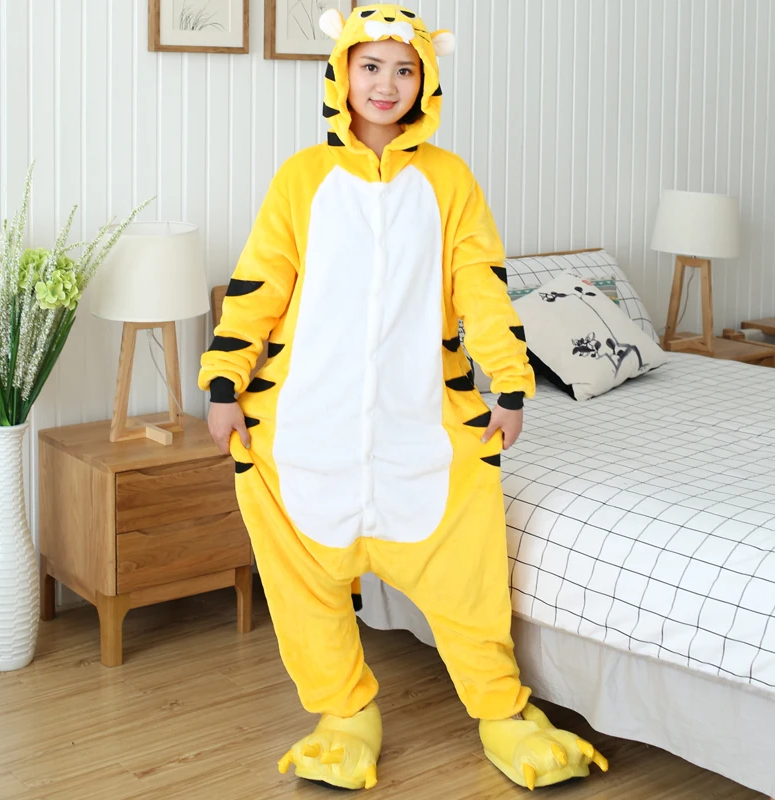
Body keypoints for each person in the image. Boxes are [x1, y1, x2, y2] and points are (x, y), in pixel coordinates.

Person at [198, 3, 608, 792]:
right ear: (341, 73)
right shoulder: (302, 180)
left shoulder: (450, 182)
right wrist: (225, 383)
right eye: (370, 66)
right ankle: (344, 714)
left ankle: (503, 711)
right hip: (306, 426)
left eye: (404, 69)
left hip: (422, 426)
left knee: (468, 575)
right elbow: (258, 288)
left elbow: (482, 289)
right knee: (304, 583)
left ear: (427, 81)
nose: (386, 85)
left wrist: (510, 382)